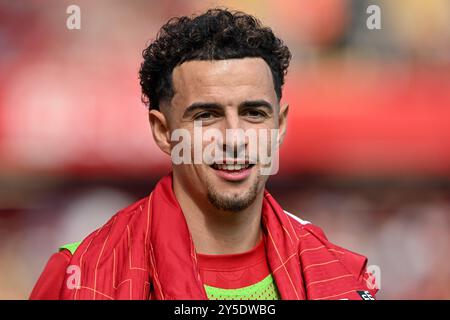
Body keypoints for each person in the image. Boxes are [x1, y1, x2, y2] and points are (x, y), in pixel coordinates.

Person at [30, 8, 377, 300]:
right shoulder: (78, 275)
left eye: (254, 113)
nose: (235, 138)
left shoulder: (344, 277)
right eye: (206, 116)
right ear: (163, 131)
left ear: (280, 124)